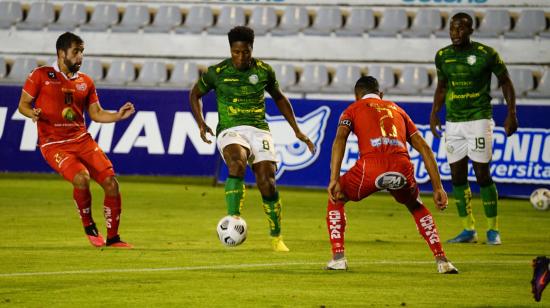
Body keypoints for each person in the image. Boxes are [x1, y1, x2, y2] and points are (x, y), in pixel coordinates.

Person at [189, 26, 315, 252]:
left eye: (245, 52)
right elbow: (194, 94)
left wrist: (296, 130)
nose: (240, 57)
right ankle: (233, 218)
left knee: (267, 182)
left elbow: (280, 98)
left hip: (259, 129)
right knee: (237, 163)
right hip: (230, 129)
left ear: (251, 49)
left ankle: (276, 237)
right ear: (231, 50)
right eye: (236, 52)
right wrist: (200, 122)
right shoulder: (216, 72)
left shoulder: (264, 70)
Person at [325, 76, 458, 274]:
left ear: (356, 96)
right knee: (416, 205)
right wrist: (438, 187)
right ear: (381, 95)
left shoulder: (352, 110)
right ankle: (442, 260)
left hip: (370, 167)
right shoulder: (398, 110)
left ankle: (338, 258)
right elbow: (425, 149)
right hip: (401, 166)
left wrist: (334, 178)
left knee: (336, 197)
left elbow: (339, 140)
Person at [17, 32, 135, 248]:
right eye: (76, 52)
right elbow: (23, 104)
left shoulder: (86, 82)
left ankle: (114, 238)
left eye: (82, 52)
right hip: (53, 144)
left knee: (111, 183)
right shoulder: (40, 75)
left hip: (82, 140)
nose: (80, 57)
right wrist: (31, 113)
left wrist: (118, 116)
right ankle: (89, 224)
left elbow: (97, 113)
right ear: (61, 53)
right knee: (81, 178)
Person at [430, 12, 518, 245]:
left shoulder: (486, 54)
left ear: (470, 30)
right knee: (457, 175)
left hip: (479, 118)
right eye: (452, 28)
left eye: (460, 29)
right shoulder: (443, 56)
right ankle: (468, 230)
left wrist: (511, 113)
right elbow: (442, 86)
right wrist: (434, 113)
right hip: (454, 122)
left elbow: (505, 81)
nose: (455, 33)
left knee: (482, 173)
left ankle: (492, 230)